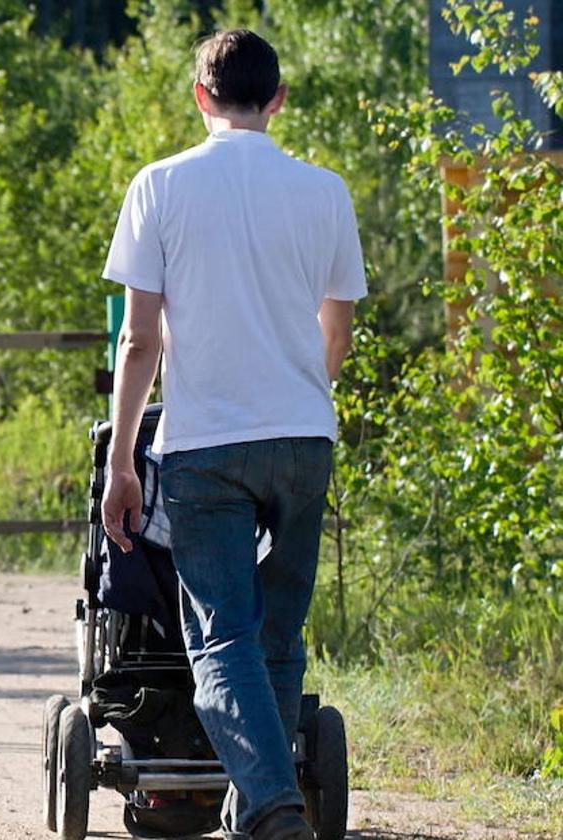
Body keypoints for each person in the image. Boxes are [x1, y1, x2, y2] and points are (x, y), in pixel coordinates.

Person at [99, 29, 366, 840]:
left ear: (199, 95)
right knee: (278, 634)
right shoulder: (326, 192)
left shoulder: (161, 185)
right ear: (278, 98)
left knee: (220, 640)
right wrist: (299, 397)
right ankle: (261, 807)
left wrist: (120, 464)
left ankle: (273, 806)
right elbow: (339, 330)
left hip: (205, 443)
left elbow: (139, 341)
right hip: (304, 437)